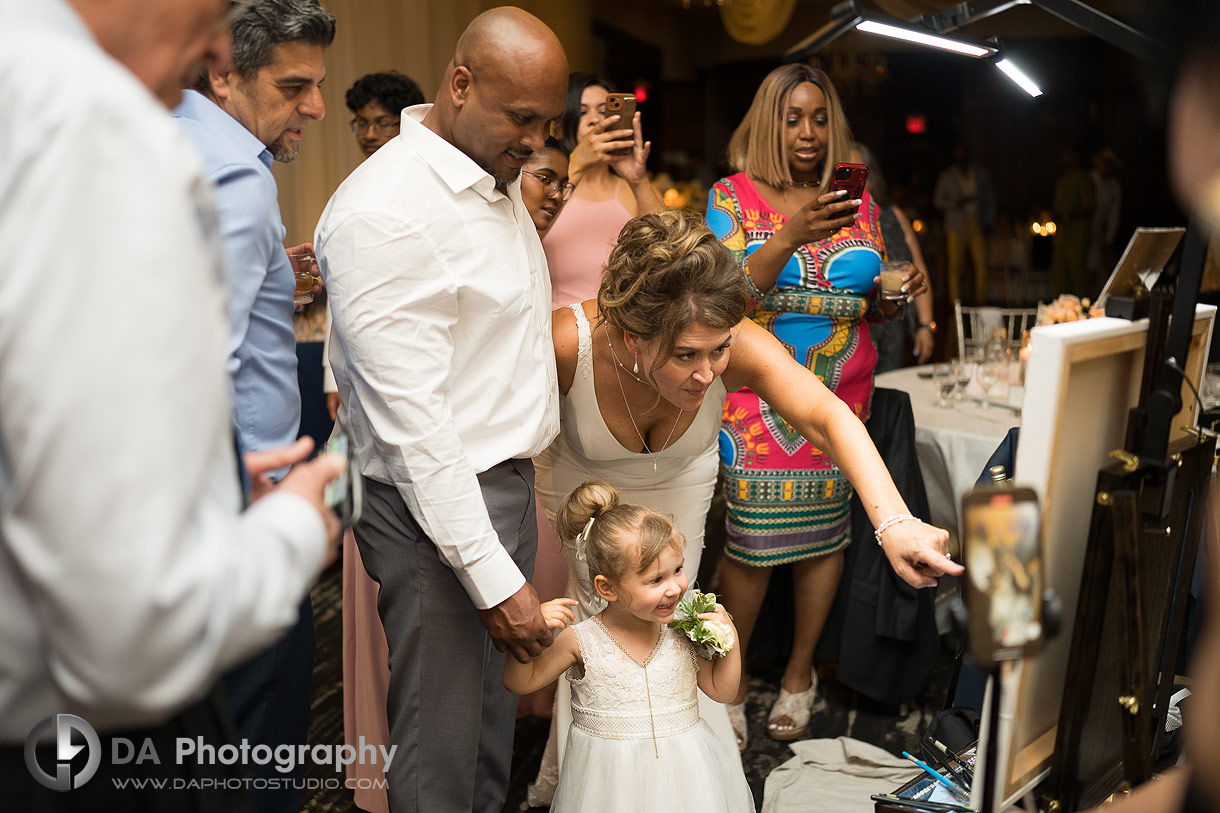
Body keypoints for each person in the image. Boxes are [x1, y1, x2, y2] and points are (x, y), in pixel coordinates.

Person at [0, 0, 344, 806]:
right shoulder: (94, 128)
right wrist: (296, 523)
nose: (217, 44)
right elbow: (138, 634)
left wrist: (198, 463)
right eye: (211, 7)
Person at [533, 210, 957, 783]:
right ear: (633, 335)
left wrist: (894, 522)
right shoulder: (564, 345)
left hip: (679, 496)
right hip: (583, 504)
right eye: (686, 355)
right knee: (605, 637)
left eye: (720, 351)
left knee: (673, 619)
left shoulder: (732, 345)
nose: (709, 375)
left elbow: (826, 416)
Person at [313, 8, 568, 811]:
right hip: (438, 508)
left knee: (490, 729)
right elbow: (416, 427)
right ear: (460, 84)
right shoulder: (386, 210)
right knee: (440, 748)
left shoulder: (488, 176)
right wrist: (495, 580)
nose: (535, 141)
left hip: (502, 486)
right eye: (522, 118)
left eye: (547, 123)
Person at [705, 64, 921, 747]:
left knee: (826, 536)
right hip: (754, 396)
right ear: (770, 122)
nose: (808, 131)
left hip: (841, 393)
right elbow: (725, 294)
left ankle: (800, 674)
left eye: (820, 117)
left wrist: (891, 294)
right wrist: (792, 232)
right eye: (794, 117)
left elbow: (866, 298)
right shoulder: (731, 197)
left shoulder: (859, 204)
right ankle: (728, 682)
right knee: (751, 541)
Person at [173, 3, 335, 808]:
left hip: (201, 498)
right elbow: (202, 363)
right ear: (223, 74)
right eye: (294, 85)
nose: (312, 106)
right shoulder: (238, 175)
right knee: (257, 745)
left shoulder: (178, 138)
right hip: (243, 498)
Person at [504, 480, 755, 812]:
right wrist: (531, 637)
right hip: (610, 784)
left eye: (677, 570)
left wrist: (730, 641)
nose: (675, 588)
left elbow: (722, 691)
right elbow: (519, 681)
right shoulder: (580, 640)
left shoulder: (682, 630)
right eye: (655, 579)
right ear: (607, 588)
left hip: (685, 777)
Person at [542, 73, 664, 309]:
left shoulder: (630, 189)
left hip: (623, 330)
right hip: (558, 331)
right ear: (560, 123)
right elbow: (527, 236)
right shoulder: (546, 186)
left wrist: (637, 180)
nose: (594, 120)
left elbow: (669, 248)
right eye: (583, 112)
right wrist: (574, 165)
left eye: (603, 111)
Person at [854, 143, 936, 370]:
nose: (856, 184)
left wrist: (925, 326)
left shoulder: (892, 216)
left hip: (892, 324)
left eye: (861, 174)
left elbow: (917, 267)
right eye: (847, 174)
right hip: (854, 328)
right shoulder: (831, 224)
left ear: (872, 177)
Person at [933, 144, 996, 305]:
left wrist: (989, 221)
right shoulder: (947, 175)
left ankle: (981, 298)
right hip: (955, 223)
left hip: (976, 220)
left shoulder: (980, 174)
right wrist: (955, 202)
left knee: (980, 261)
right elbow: (938, 201)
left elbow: (989, 199)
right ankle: (955, 300)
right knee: (954, 264)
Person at [1050, 143, 1096, 297]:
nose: (1064, 157)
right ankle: (1061, 310)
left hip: (1077, 236)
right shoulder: (1063, 180)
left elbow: (1089, 207)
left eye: (1068, 154)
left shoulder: (1083, 179)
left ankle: (1081, 310)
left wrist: (1067, 217)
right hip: (1061, 236)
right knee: (1059, 275)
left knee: (1078, 276)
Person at [1087, 147, 1122, 295]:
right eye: (1103, 163)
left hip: (1100, 229)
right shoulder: (1089, 179)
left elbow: (1114, 214)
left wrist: (1108, 237)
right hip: (1085, 228)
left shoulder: (1114, 186)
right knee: (1087, 267)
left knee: (1100, 267)